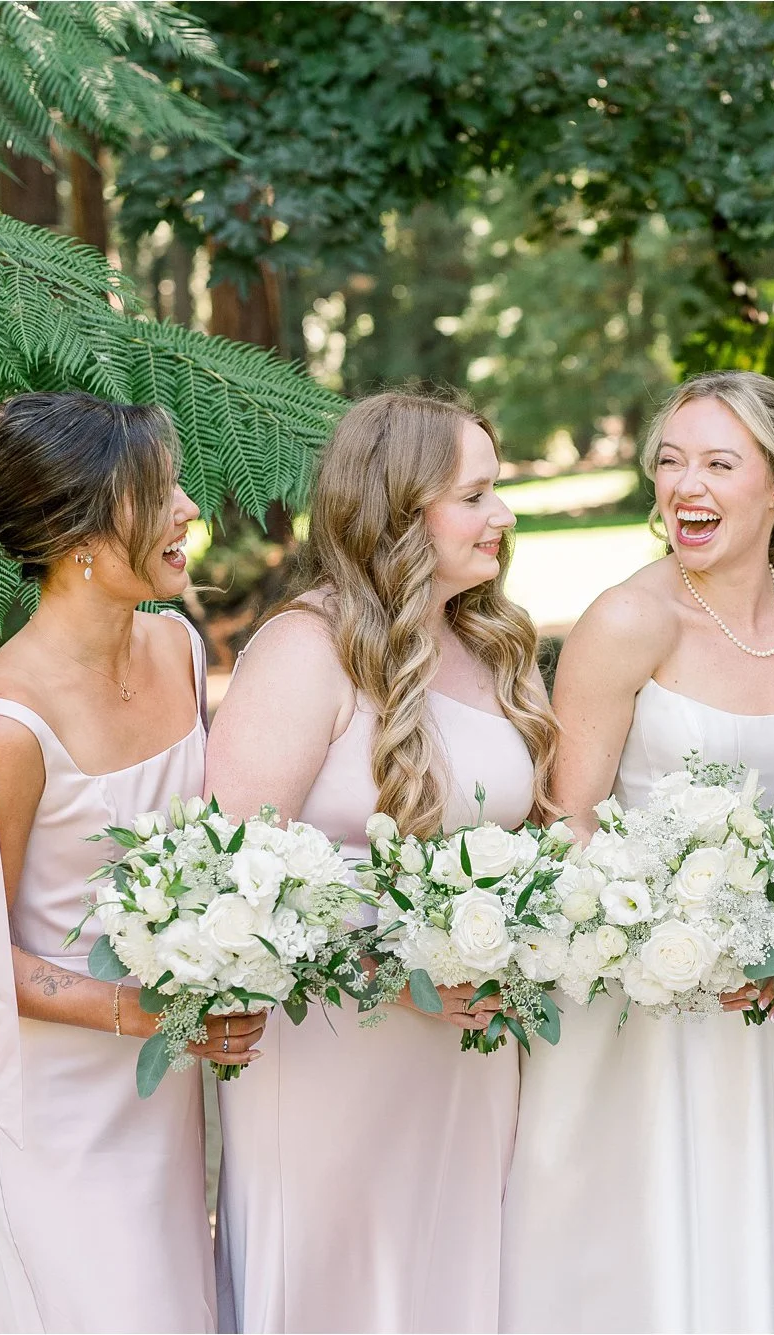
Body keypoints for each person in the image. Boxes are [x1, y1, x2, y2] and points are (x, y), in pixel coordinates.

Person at [500, 370, 774, 1332]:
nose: (685, 485)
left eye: (719, 464)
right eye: (670, 461)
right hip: (650, 1002)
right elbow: (567, 821)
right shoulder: (627, 621)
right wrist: (660, 934)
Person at [207, 390, 557, 1331]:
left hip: (470, 1049)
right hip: (330, 1045)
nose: (502, 514)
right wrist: (392, 977)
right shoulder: (303, 649)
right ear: (400, 510)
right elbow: (229, 881)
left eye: (497, 489)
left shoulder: (492, 642)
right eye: (474, 496)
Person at [0, 391, 248, 1332]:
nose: (188, 508)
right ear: (79, 535)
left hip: (160, 1084)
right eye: (158, 492)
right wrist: (135, 1011)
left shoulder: (180, 648)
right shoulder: (1, 727)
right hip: (55, 1103)